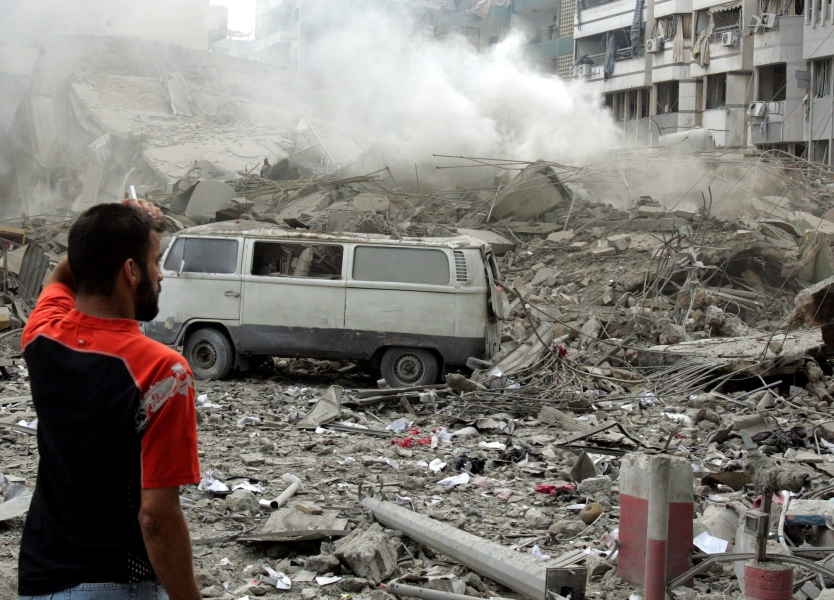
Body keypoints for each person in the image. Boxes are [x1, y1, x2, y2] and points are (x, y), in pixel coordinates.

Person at [17, 200, 201, 600]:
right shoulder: (162, 372)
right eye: (155, 262)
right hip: (117, 585)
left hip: (37, 582)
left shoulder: (41, 335)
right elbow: (155, 517)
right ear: (131, 272)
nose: (162, 274)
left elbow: (64, 273)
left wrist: (113, 221)